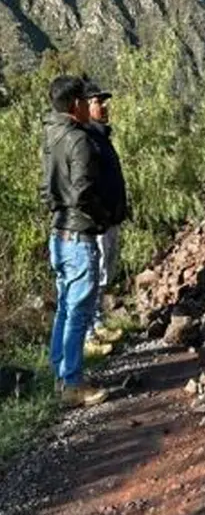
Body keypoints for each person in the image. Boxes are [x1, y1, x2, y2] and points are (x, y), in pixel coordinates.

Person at [41, 76, 111, 407]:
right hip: (79, 234)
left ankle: (60, 372)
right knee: (79, 311)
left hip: (59, 234)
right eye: (85, 100)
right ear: (75, 106)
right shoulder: (78, 140)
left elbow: (47, 189)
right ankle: (72, 384)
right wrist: (101, 216)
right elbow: (83, 189)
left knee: (66, 307)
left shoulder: (51, 136)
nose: (89, 104)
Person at [82, 79, 128, 355]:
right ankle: (89, 334)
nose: (104, 106)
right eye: (98, 102)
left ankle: (97, 324)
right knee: (94, 276)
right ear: (86, 106)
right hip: (99, 222)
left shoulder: (101, 136)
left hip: (110, 219)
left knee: (103, 274)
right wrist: (101, 214)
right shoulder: (87, 140)